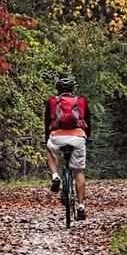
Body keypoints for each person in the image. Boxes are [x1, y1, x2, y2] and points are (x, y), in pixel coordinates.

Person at [44, 77, 91, 220]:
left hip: (57, 137)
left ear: (58, 89)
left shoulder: (52, 101)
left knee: (49, 149)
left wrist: (48, 138)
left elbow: (47, 122)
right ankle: (81, 206)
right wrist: (86, 136)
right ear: (72, 89)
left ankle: (55, 175)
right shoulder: (81, 101)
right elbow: (88, 121)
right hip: (77, 137)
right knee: (79, 171)